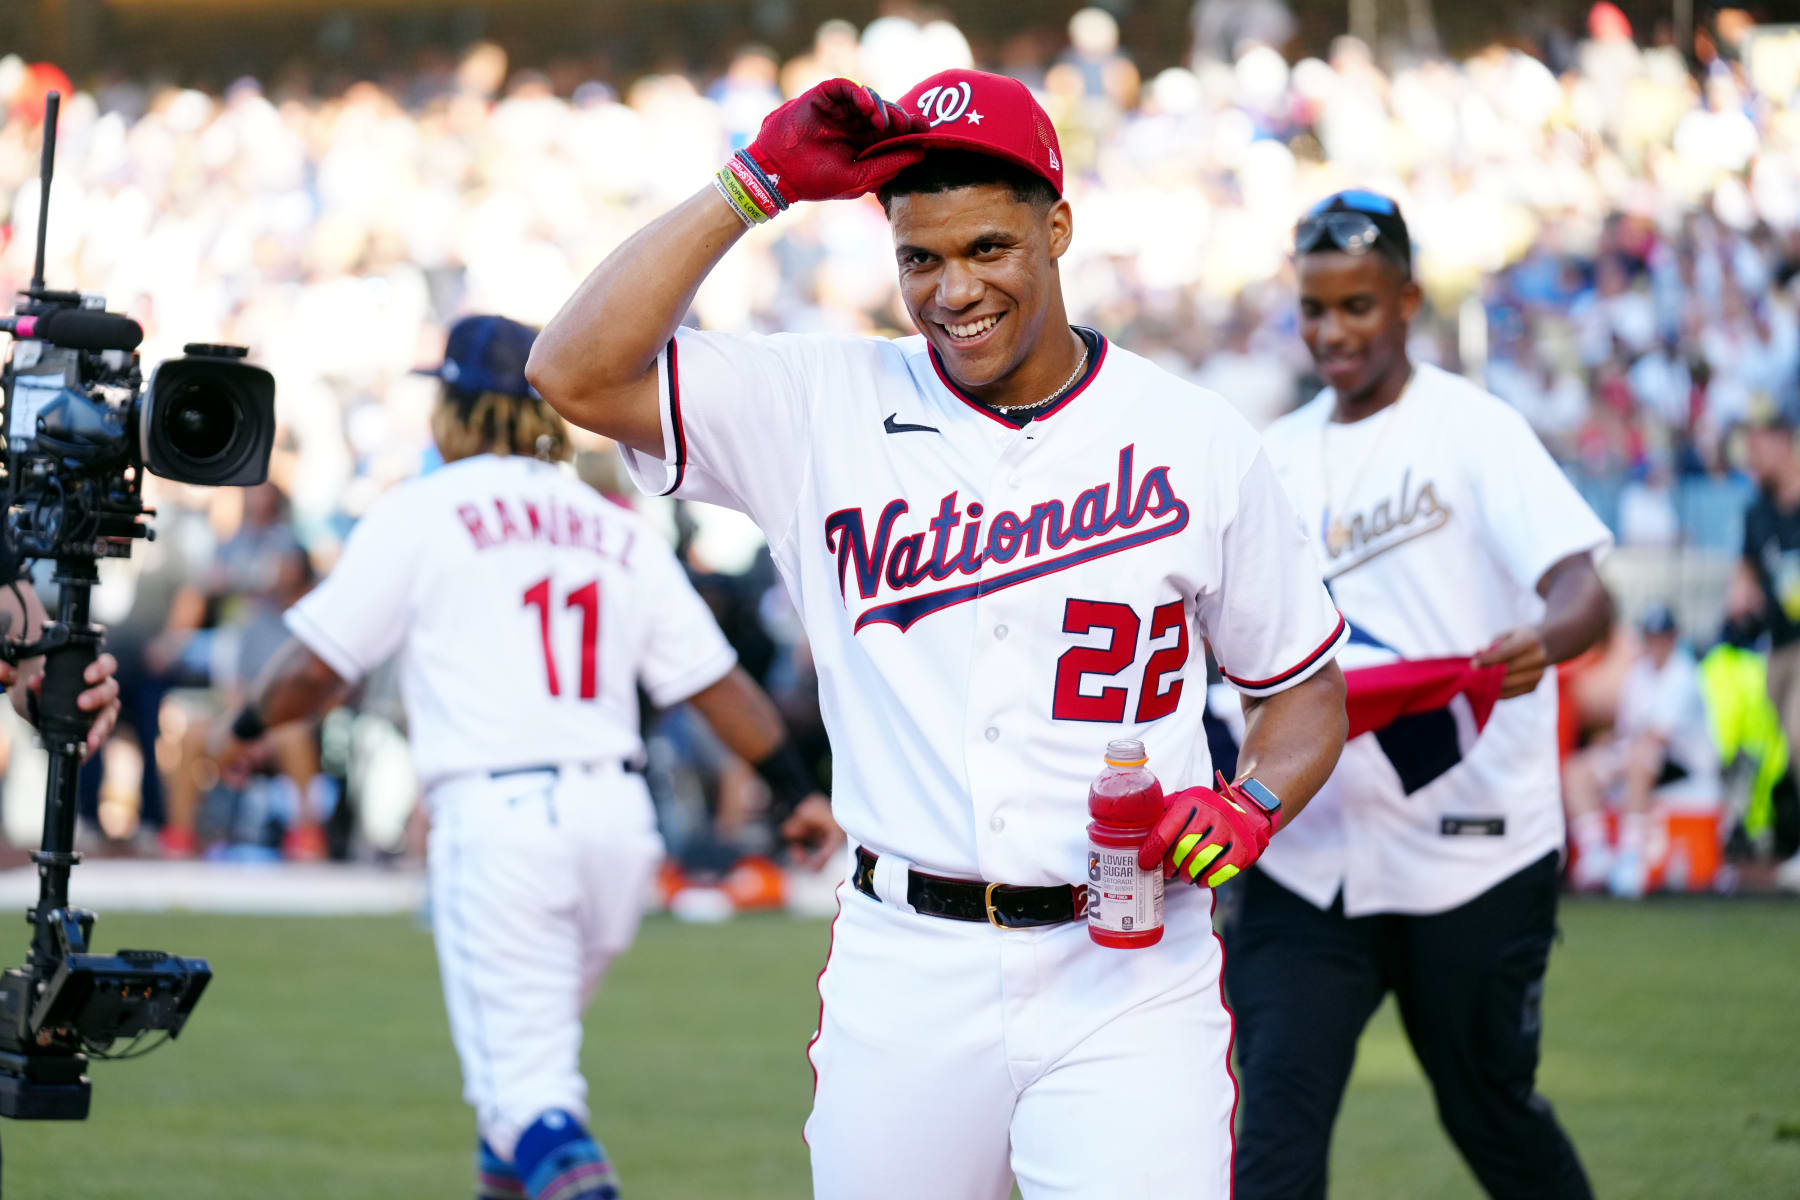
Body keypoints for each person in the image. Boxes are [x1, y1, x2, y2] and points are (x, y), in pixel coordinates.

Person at [527, 70, 1349, 1199]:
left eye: (989, 247)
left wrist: (1250, 801)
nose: (954, 288)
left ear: (1057, 226)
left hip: (1129, 964)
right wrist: (750, 185)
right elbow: (571, 370)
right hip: (907, 962)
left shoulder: (1192, 436)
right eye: (922, 258)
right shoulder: (818, 402)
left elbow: (1302, 692)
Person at [210, 315, 840, 1200]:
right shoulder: (612, 521)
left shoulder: (428, 507)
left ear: (459, 407)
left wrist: (239, 736)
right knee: (524, 1079)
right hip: (618, 832)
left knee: (527, 1097)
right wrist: (797, 792)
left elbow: (317, 667)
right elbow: (715, 682)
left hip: (502, 827)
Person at [1233, 190, 1611, 1200]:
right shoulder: (1271, 456)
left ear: (1406, 301)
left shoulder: (1475, 429)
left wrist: (1546, 637)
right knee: (1266, 1132)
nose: (1332, 332)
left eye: (1356, 305)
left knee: (1489, 1110)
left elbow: (1585, 588)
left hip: (1472, 849)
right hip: (1307, 854)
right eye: (1314, 309)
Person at [1563, 603, 1720, 896]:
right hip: (1642, 754)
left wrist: (1615, 760)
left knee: (1641, 757)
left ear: (1673, 638)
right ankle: (1594, 850)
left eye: (1662, 636)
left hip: (1685, 764)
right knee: (1577, 769)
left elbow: (1658, 736)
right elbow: (1627, 730)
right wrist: (1604, 749)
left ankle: (1630, 856)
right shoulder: (1639, 673)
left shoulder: (1684, 674)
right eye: (1651, 636)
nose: (1656, 643)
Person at [1732, 407, 1800, 888]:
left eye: (1758, 444)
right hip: (1778, 648)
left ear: (1784, 442)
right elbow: (1748, 570)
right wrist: (1742, 590)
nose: (1751, 456)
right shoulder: (1758, 511)